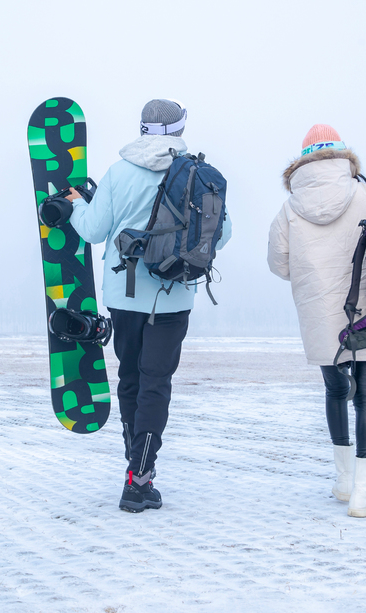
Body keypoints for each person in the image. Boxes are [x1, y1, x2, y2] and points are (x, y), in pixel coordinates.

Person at [65, 99, 231, 512]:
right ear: (179, 129)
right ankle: (140, 479)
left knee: (132, 381)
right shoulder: (195, 174)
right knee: (157, 383)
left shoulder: (119, 173)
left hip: (124, 294)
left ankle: (135, 474)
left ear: (141, 127)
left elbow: (92, 230)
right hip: (174, 293)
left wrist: (75, 204)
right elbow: (222, 233)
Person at [267, 124, 366, 518]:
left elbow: (277, 265)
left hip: (318, 312)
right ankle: (362, 495)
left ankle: (343, 480)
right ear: (341, 155)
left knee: (335, 391)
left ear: (303, 159)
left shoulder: (289, 208)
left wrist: (311, 275)